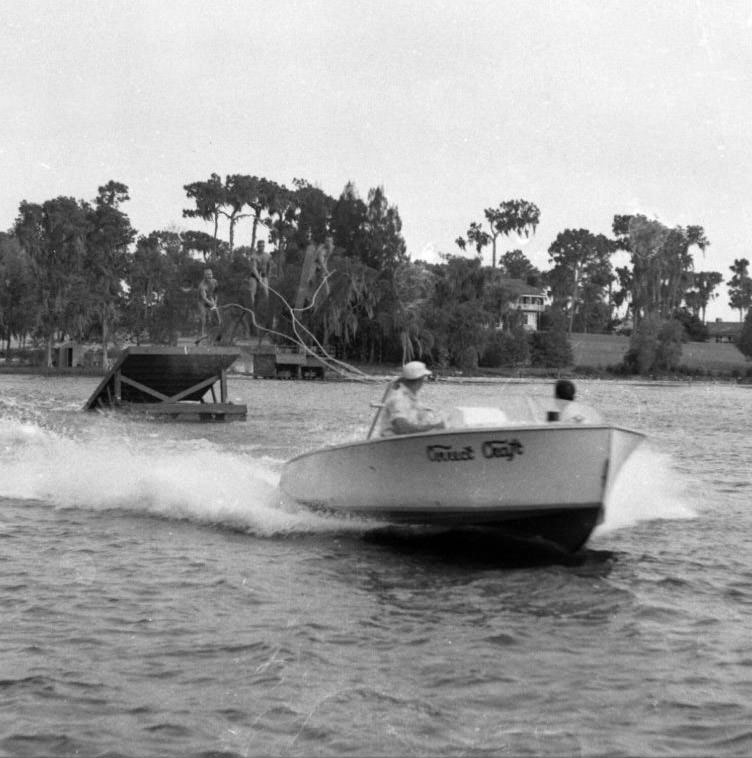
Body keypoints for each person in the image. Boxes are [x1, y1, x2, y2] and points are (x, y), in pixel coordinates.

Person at [379, 361, 446, 437]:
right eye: (423, 378)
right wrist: (433, 427)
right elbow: (402, 428)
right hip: (393, 443)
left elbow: (418, 421)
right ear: (420, 380)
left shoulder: (412, 397)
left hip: (407, 442)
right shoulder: (398, 398)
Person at [249, 240, 272, 308]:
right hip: (254, 276)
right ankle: (252, 309)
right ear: (257, 247)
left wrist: (267, 276)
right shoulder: (254, 256)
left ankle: (269, 309)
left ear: (264, 246)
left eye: (262, 246)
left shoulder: (268, 256)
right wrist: (259, 278)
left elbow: (269, 267)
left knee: (266, 292)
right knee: (252, 292)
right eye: (259, 246)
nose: (261, 247)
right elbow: (254, 268)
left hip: (263, 275)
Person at [197, 268, 220, 338]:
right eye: (207, 275)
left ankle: (218, 331)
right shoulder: (202, 286)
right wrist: (212, 304)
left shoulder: (215, 282)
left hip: (210, 298)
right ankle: (202, 334)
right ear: (204, 276)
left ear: (212, 274)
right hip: (201, 302)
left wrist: (215, 302)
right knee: (204, 317)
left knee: (217, 314)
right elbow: (204, 298)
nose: (209, 276)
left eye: (210, 274)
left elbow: (216, 293)